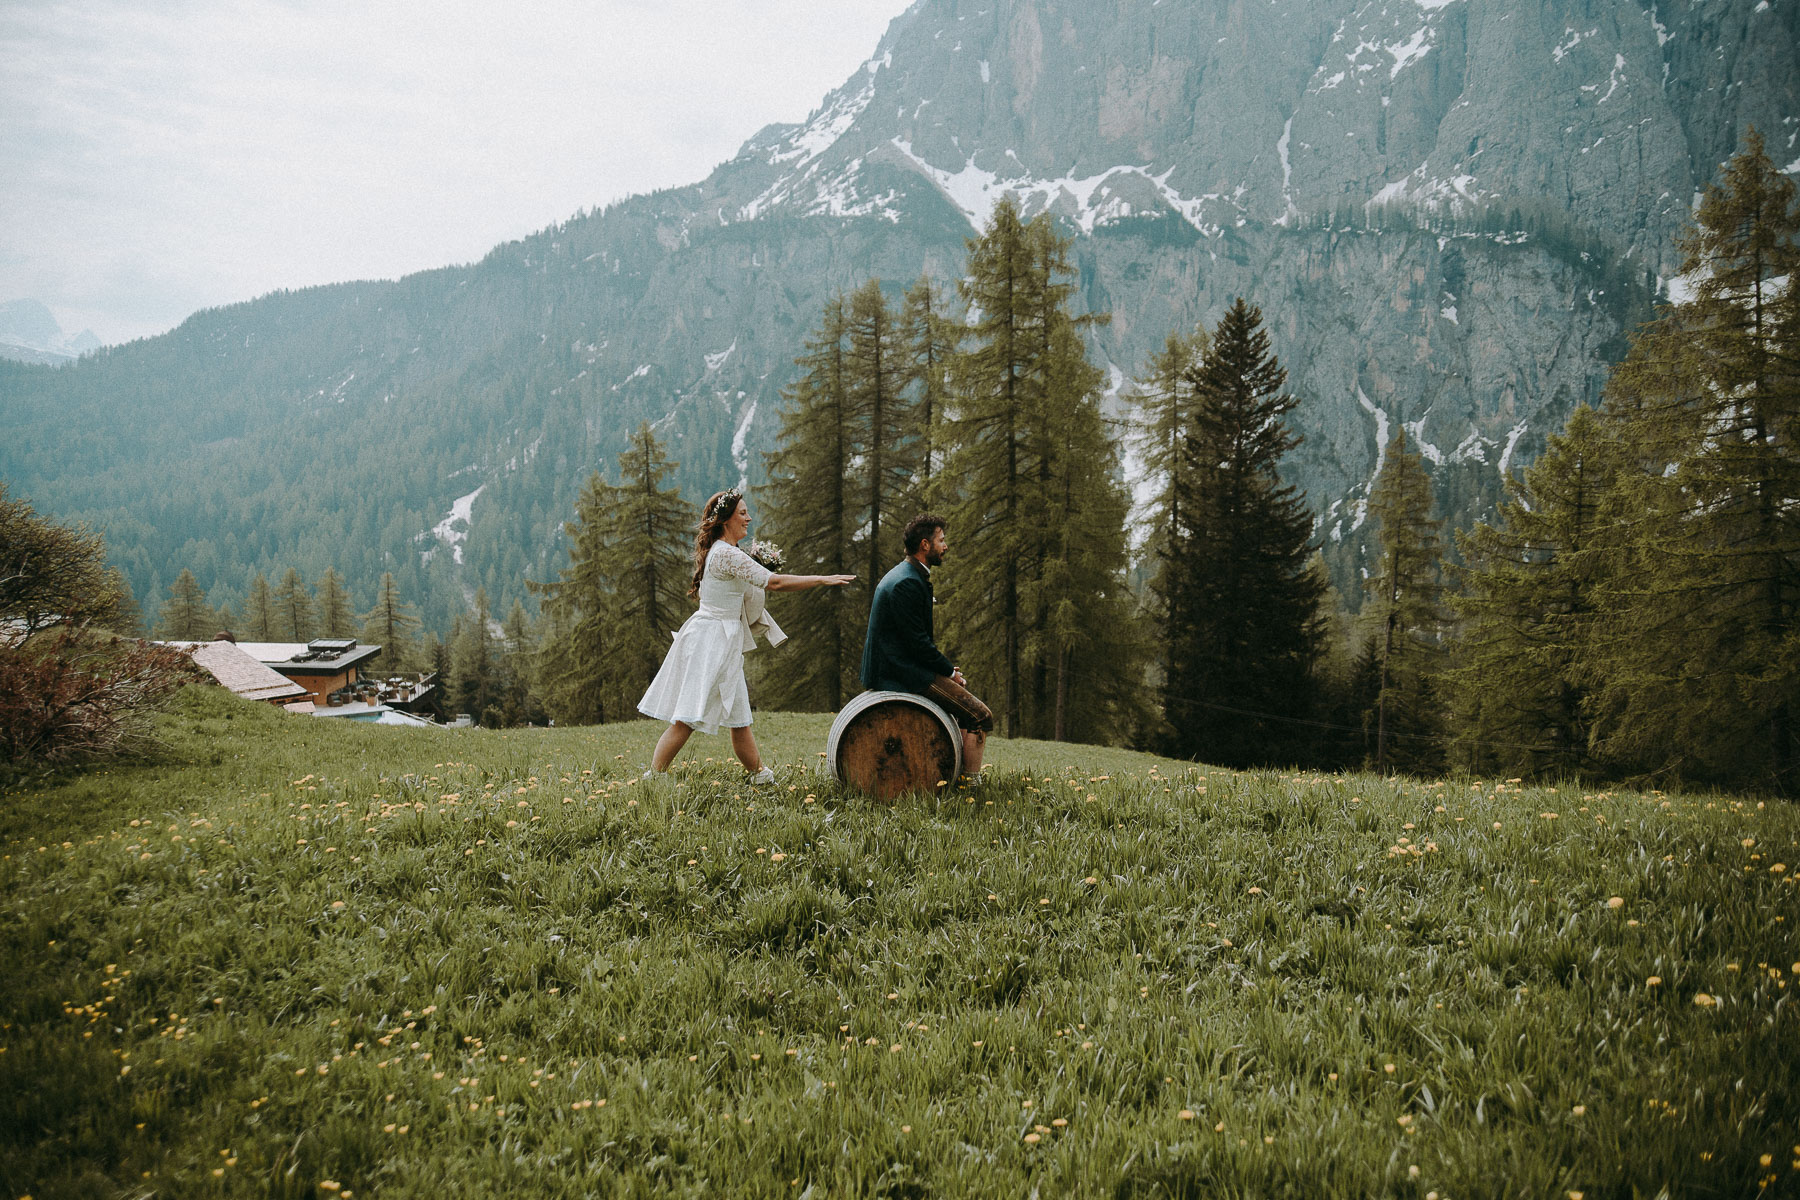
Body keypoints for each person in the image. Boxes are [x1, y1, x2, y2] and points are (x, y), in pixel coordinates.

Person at [638, 488, 854, 781]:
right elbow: (774, 583)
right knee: (688, 716)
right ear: (726, 519)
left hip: (722, 638)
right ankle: (655, 776)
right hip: (712, 641)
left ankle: (759, 773)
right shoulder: (726, 554)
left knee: (739, 716)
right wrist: (821, 579)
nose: (749, 518)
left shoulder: (726, 551)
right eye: (742, 513)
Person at [861, 512, 992, 778]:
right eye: (941, 540)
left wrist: (945, 671)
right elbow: (917, 643)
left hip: (900, 665)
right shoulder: (908, 582)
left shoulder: (906, 574)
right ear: (925, 545)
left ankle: (961, 775)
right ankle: (971, 784)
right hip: (898, 672)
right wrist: (949, 672)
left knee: (963, 708)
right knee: (979, 715)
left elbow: (912, 641)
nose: (946, 546)